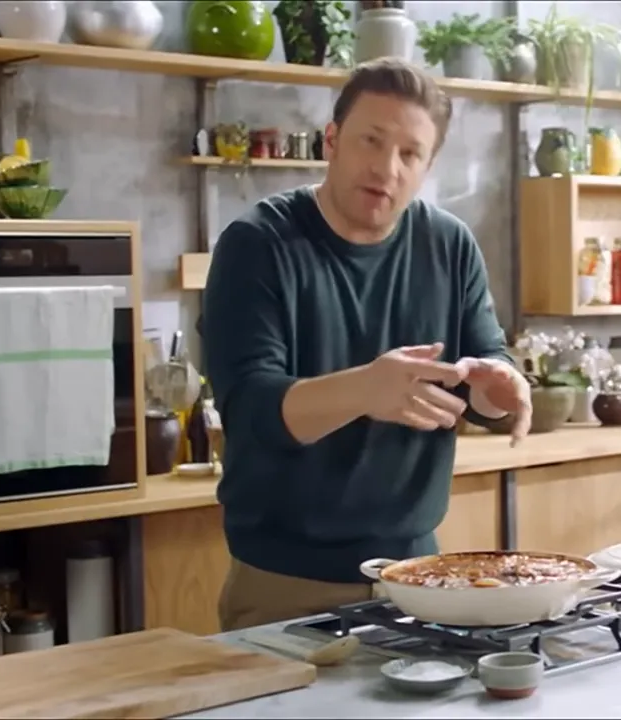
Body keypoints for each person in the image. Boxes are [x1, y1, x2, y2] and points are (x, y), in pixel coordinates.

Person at [201, 57, 531, 632]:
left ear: (427, 166)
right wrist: (364, 390)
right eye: (370, 141)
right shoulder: (257, 244)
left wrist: (500, 389)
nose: (386, 168)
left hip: (419, 577)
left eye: (410, 154)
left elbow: (480, 376)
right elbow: (250, 411)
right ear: (331, 141)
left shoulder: (449, 245)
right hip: (285, 583)